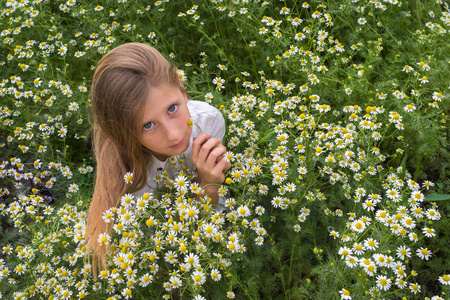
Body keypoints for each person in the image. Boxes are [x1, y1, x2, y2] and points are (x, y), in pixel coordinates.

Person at [85, 42, 231, 276]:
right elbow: (165, 245)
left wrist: (208, 182)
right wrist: (207, 184)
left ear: (183, 91)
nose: (173, 135)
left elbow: (210, 220)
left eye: (172, 108)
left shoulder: (209, 122)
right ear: (125, 134)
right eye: (148, 125)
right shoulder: (129, 177)